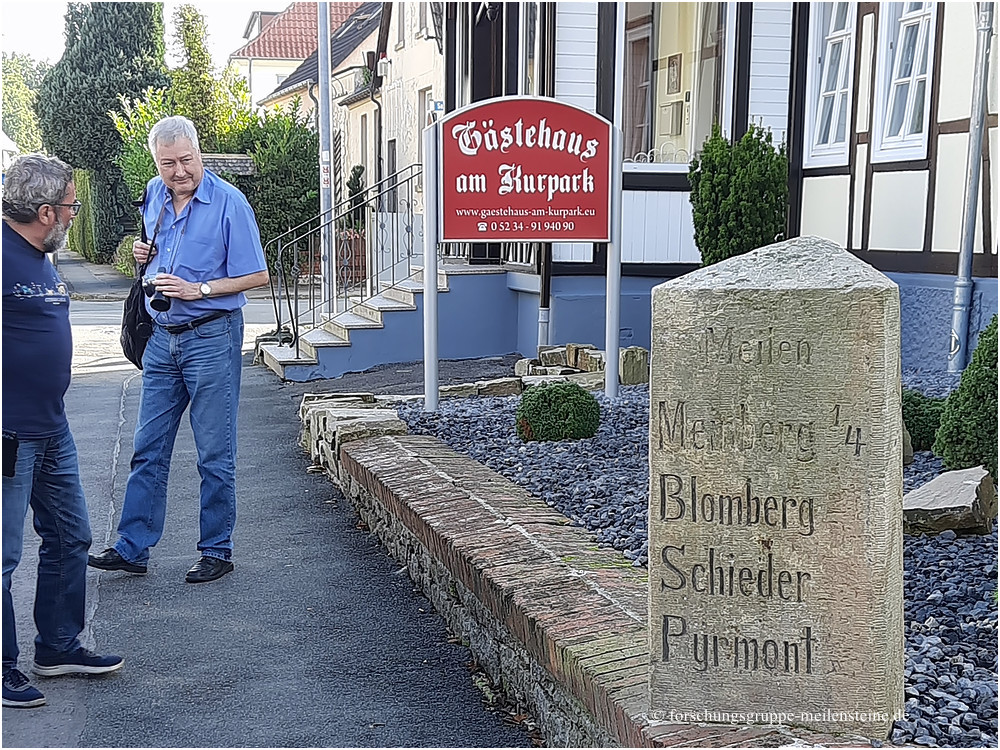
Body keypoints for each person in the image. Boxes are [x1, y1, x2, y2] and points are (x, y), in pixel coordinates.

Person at [89, 116, 268, 584]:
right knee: (147, 447)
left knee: (214, 452)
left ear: (199, 154)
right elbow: (157, 249)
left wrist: (198, 289)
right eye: (168, 163)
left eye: (186, 160)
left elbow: (257, 275)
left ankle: (216, 550)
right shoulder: (153, 193)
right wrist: (142, 257)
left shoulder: (230, 203)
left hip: (211, 334)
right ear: (157, 162)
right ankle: (132, 547)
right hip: (161, 338)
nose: (178, 171)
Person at [2, 154, 124, 709]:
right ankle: (4, 669)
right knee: (3, 557)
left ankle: (57, 646)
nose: (75, 214)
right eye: (72, 207)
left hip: (52, 427)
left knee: (71, 535)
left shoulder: (40, 255)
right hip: (9, 433)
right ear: (47, 212)